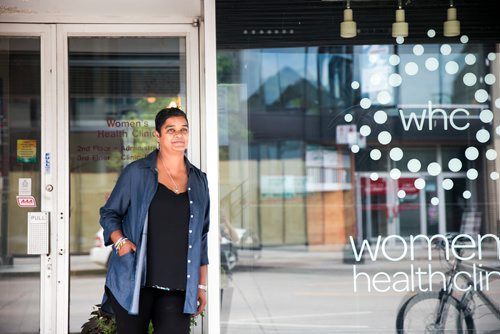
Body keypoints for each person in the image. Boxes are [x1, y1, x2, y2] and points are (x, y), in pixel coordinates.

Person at [99, 107, 210, 334]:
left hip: (178, 286)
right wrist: (120, 243)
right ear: (158, 136)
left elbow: (202, 236)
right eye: (171, 130)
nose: (178, 135)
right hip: (135, 281)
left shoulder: (199, 180)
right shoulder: (137, 172)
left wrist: (201, 284)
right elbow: (109, 213)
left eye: (183, 130)